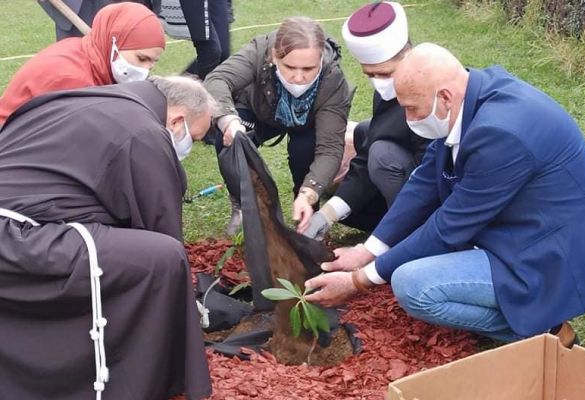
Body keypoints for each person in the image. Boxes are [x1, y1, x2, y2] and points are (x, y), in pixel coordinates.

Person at [305, 43, 585, 348]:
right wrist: (369, 250)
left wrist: (358, 280)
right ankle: (529, 317)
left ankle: (541, 331)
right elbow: (425, 182)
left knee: (413, 285)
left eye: (410, 108)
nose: (408, 119)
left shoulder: (500, 135)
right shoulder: (470, 96)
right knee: (414, 259)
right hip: (525, 229)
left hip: (556, 254)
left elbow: (448, 227)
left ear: (443, 97)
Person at [0, 75, 216, 399]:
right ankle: (129, 380)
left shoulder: (93, 98)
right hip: (19, 241)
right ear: (177, 119)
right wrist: (189, 300)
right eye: (194, 138)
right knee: (162, 258)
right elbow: (161, 228)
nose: (190, 145)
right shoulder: (144, 132)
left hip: (19, 227)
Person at [203, 16, 353, 235]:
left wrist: (310, 192)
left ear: (321, 59)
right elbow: (217, 80)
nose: (299, 77)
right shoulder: (259, 50)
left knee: (305, 151)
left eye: (309, 68)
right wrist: (230, 121)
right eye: (290, 67)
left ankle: (306, 216)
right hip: (259, 111)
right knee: (228, 139)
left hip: (307, 123)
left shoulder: (333, 80)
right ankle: (242, 205)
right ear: (274, 56)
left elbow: (330, 149)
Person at [302, 1, 430, 240]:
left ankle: (411, 233)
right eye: (370, 74)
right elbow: (367, 150)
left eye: (384, 73)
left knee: (383, 153)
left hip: (433, 190)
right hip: (409, 176)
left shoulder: (432, 92)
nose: (378, 82)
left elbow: (430, 172)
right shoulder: (385, 93)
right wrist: (328, 214)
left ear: (408, 55)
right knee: (365, 132)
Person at [0, 2, 165, 126]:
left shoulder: (89, 54)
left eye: (152, 62)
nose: (145, 70)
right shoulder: (71, 80)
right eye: (141, 59)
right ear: (114, 43)